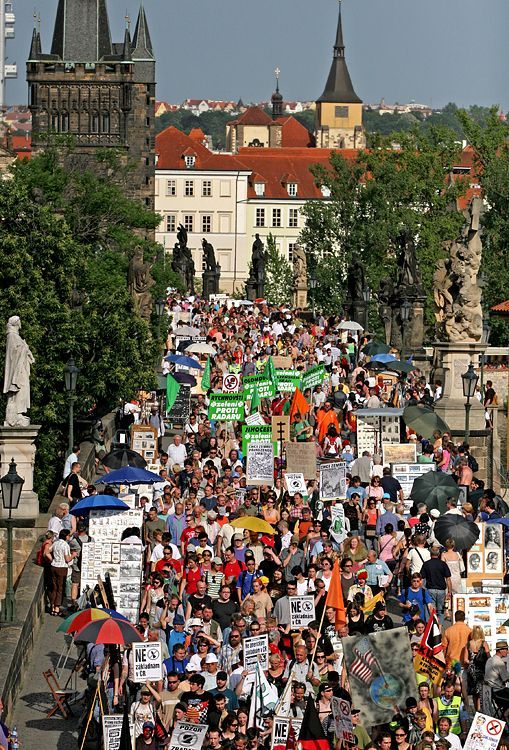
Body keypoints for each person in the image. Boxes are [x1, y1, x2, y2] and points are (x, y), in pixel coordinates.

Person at [419, 546, 452, 627]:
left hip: (430, 590)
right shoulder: (443, 564)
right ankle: (439, 627)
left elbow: (422, 579)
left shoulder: (426, 564)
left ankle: (431, 626)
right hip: (441, 590)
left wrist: (420, 590)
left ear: (430, 554)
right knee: (440, 610)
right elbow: (448, 579)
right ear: (439, 554)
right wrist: (449, 592)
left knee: (431, 610)